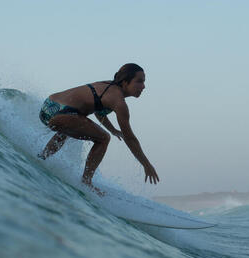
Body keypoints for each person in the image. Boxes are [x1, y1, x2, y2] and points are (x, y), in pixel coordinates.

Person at [38, 63, 159, 194]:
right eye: (139, 81)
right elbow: (130, 139)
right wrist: (146, 164)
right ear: (125, 82)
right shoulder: (119, 102)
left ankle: (42, 158)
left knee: (70, 127)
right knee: (103, 138)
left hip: (49, 106)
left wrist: (113, 129)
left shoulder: (108, 86)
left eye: (144, 82)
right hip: (61, 113)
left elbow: (98, 110)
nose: (143, 86)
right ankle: (86, 181)